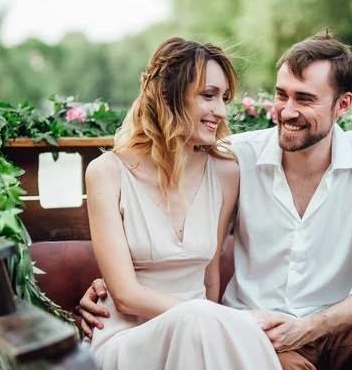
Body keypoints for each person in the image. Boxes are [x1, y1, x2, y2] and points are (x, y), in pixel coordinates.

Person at [80, 32, 352, 369]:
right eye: (282, 95)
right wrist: (113, 284)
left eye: (305, 99)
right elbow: (170, 227)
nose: (287, 111)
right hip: (262, 332)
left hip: (343, 329)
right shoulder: (234, 157)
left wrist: (308, 328)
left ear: (342, 105)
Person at [83, 37, 281, 370]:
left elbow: (209, 278)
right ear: (165, 94)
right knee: (198, 321)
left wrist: (214, 324)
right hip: (128, 340)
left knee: (200, 330)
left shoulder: (225, 172)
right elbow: (125, 295)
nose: (220, 110)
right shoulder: (106, 173)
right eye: (208, 95)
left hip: (200, 336)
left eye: (224, 98)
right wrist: (224, 320)